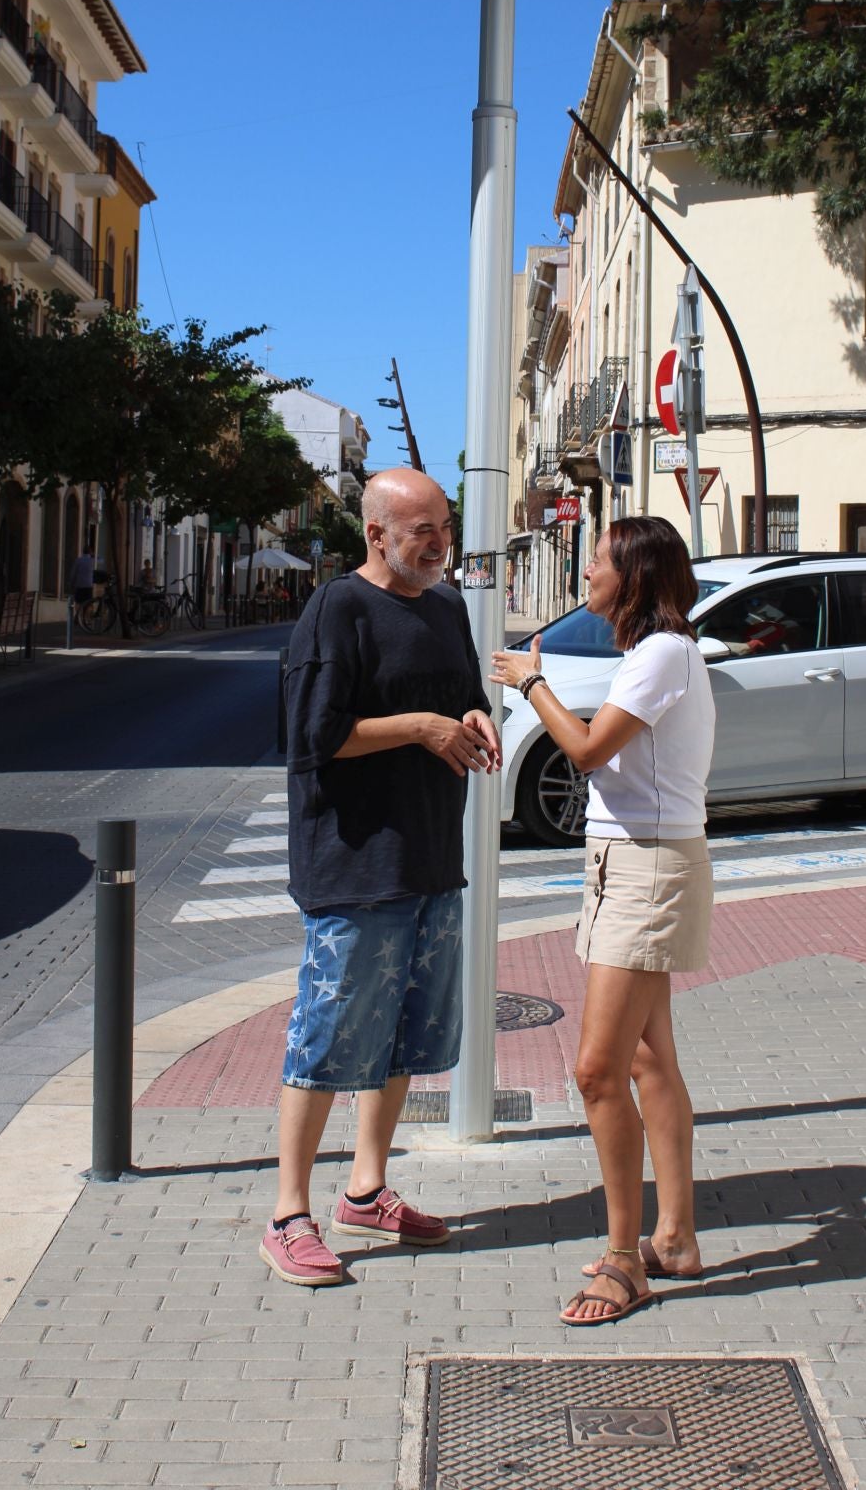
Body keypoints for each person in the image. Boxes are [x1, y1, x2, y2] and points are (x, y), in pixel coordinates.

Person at [261, 468, 501, 1287]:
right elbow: (312, 737)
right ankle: (289, 1211)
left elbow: (463, 699)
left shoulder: (445, 605)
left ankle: (366, 1189)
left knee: (403, 1035)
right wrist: (421, 728)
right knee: (328, 1038)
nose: (440, 543)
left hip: (431, 852)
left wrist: (468, 719)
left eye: (444, 526)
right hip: (355, 862)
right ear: (376, 535)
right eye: (422, 530)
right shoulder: (338, 608)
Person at [491, 516, 715, 1326]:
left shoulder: (661, 654)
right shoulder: (655, 654)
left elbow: (585, 752)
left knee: (596, 1072)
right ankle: (677, 1238)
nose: (587, 571)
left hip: (648, 870)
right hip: (628, 863)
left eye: (599, 561)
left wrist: (529, 683)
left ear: (636, 576)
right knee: (649, 1061)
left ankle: (627, 1260)